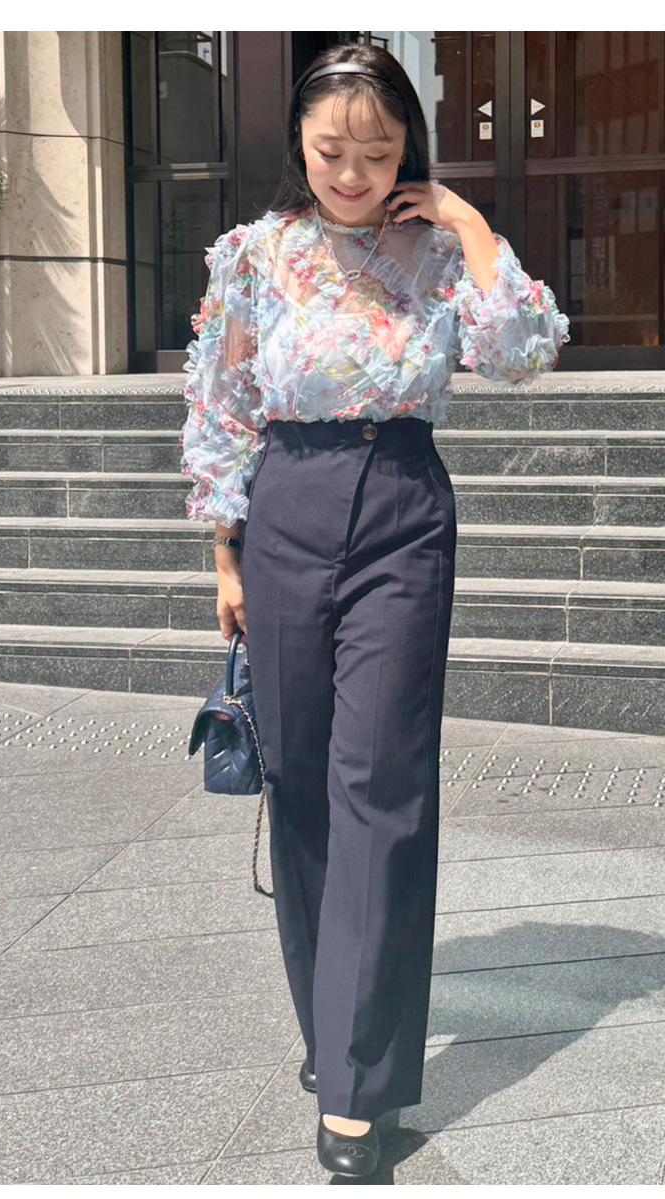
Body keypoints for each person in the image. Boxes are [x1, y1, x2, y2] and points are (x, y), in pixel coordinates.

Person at [180, 43, 570, 1179]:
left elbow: (522, 354)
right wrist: (225, 554)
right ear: (298, 147)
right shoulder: (254, 254)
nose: (353, 174)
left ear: (410, 150)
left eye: (380, 152)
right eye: (331, 151)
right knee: (301, 773)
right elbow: (220, 402)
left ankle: (359, 1086)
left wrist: (470, 221)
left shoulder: (438, 252)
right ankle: (332, 1020)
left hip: (400, 502)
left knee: (382, 783)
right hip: (285, 507)